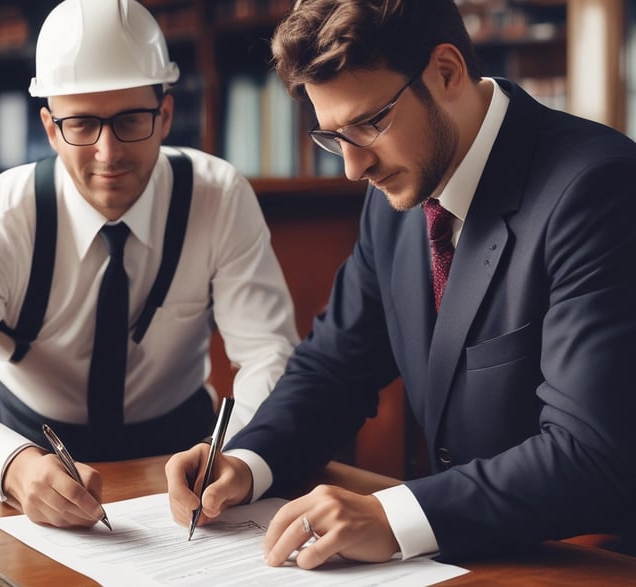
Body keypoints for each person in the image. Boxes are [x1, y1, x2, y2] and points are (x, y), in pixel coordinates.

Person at [166, 0, 636, 568]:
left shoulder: (598, 187)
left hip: (590, 560)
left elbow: (593, 454)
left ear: (446, 71)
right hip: (467, 560)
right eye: (334, 136)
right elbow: (335, 366)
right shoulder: (395, 192)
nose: (352, 167)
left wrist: (394, 516)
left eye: (369, 123)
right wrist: (247, 461)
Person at [0, 0, 298, 529]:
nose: (107, 153)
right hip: (28, 452)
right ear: (51, 128)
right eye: (81, 124)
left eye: (129, 121)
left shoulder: (218, 198)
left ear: (165, 114)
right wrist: (9, 465)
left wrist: (239, 455)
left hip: (188, 460)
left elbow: (270, 354)